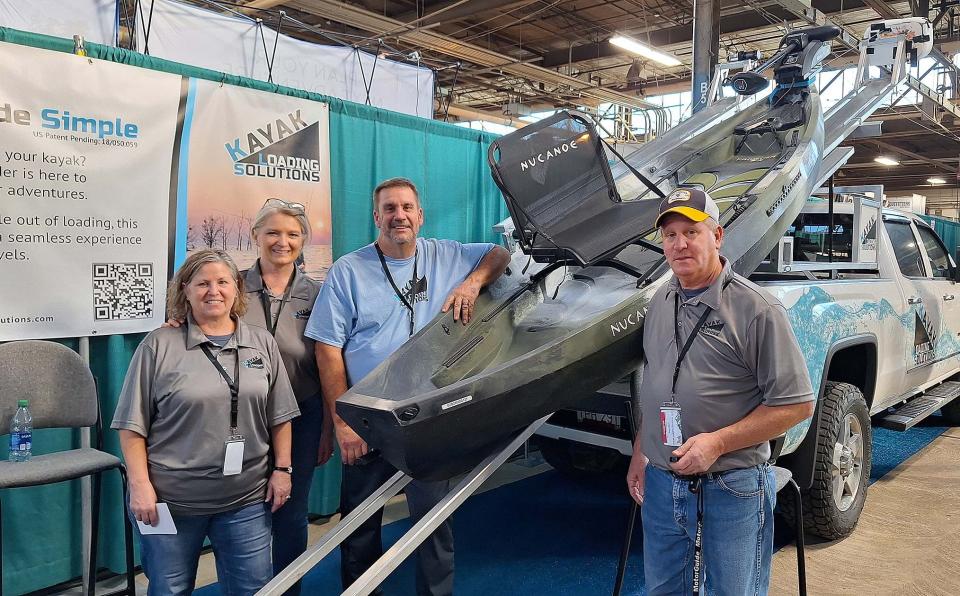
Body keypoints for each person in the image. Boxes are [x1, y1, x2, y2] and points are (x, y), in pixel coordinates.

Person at [306, 177, 511, 595]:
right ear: (376, 217)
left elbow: (499, 253)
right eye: (388, 208)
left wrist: (472, 283)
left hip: (428, 418)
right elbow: (328, 350)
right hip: (368, 417)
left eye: (405, 208)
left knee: (434, 525)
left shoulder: (447, 254)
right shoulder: (348, 271)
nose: (398, 215)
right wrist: (342, 423)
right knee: (360, 527)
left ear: (420, 215)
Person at [625, 188, 815, 595]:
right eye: (670, 235)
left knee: (734, 590)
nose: (679, 244)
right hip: (661, 483)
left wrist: (718, 442)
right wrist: (642, 451)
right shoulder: (660, 301)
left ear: (718, 236)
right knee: (662, 589)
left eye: (691, 232)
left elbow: (797, 404)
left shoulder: (756, 310)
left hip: (730, 484)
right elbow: (658, 384)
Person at [166, 199, 333, 595]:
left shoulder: (319, 292)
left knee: (291, 512)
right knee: (245, 512)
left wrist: (328, 425)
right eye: (273, 232)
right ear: (256, 235)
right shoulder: (229, 286)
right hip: (240, 418)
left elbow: (328, 363)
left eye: (293, 234)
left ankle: (288, 588)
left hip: (301, 416)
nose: (282, 241)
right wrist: (176, 322)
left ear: (304, 241)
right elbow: (196, 322)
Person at [113, 249, 300, 596]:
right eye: (202, 283)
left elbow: (281, 415)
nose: (213, 291)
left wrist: (283, 470)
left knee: (254, 588)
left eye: (222, 282)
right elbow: (131, 426)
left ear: (236, 288)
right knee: (169, 589)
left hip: (246, 500)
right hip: (169, 502)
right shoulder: (158, 345)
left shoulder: (261, 342)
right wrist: (139, 485)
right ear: (185, 289)